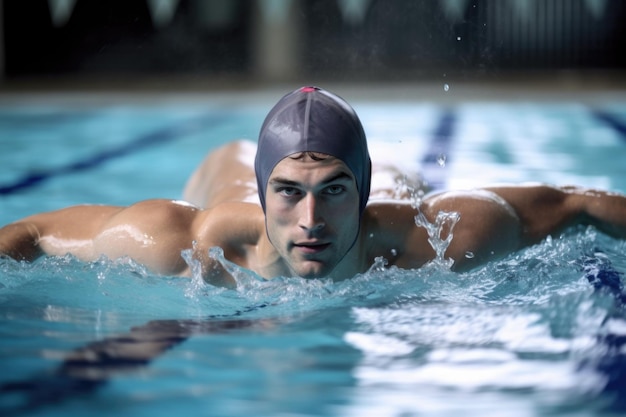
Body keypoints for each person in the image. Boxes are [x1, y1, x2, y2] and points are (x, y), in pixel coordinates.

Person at [1, 86, 625, 288]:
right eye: (289, 192)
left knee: (407, 195)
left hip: (393, 197)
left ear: (360, 189)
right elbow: (29, 232)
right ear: (265, 191)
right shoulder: (187, 244)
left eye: (334, 190)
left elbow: (579, 203)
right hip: (226, 172)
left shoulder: (431, 240)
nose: (310, 221)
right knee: (226, 178)